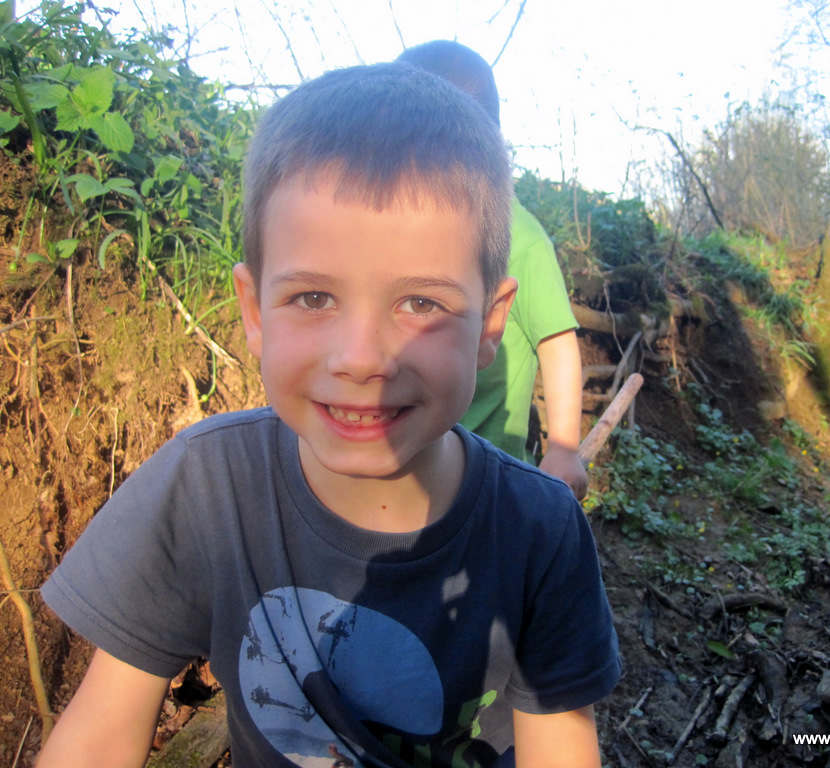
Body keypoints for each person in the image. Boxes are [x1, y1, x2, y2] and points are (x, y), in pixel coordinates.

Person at [37, 63, 619, 768]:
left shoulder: (540, 531)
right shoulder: (206, 489)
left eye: (421, 303)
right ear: (255, 312)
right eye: (313, 298)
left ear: (490, 324)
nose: (363, 359)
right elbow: (98, 736)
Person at [396, 41, 589, 500]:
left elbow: (557, 343)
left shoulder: (520, 239)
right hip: (404, 458)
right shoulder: (390, 224)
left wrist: (563, 448)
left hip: (486, 480)